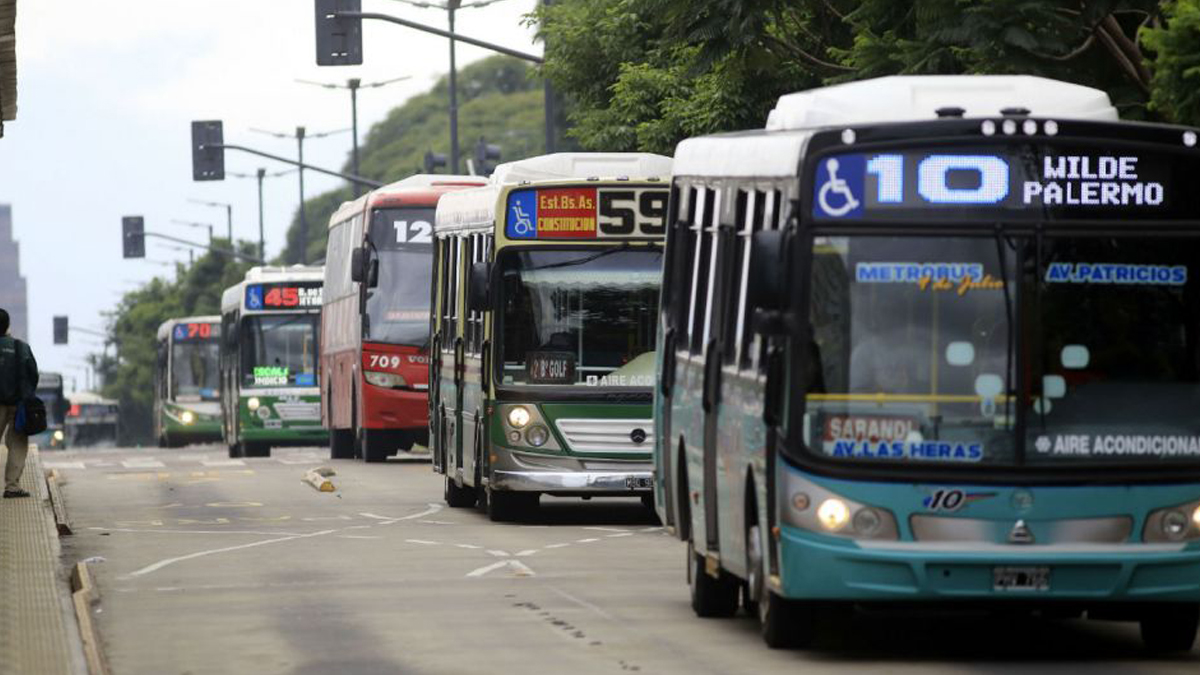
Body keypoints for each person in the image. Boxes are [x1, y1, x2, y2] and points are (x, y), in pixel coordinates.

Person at [0, 308, 39, 498]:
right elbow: (33, 374)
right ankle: (12, 487)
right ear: (7, 325)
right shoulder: (21, 347)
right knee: (17, 444)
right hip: (17, 406)